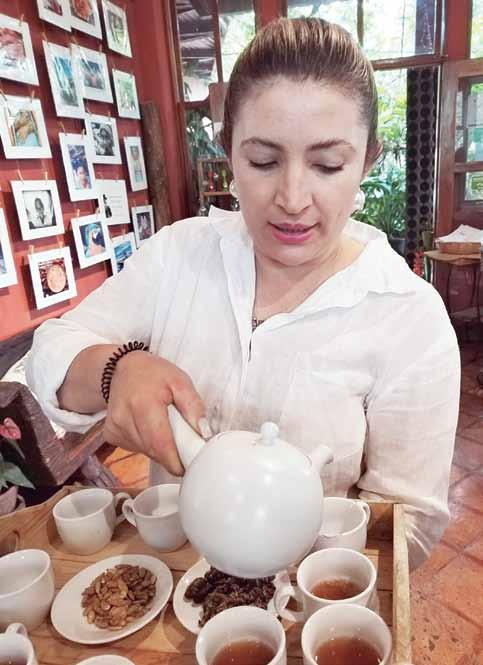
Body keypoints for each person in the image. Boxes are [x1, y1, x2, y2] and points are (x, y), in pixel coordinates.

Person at [26, 18, 460, 570]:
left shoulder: (407, 316)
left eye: (328, 165)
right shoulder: (179, 256)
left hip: (310, 598)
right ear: (228, 151)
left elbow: (408, 526)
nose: (293, 198)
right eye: (263, 161)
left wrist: (275, 541)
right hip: (175, 585)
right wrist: (116, 371)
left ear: (367, 161)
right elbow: (50, 351)